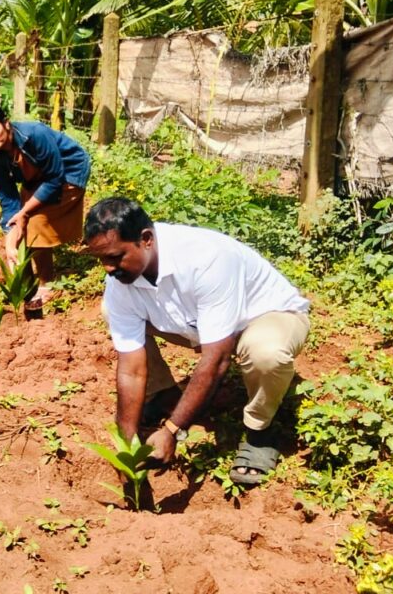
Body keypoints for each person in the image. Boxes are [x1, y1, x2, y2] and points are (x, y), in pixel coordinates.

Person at [82, 197, 310, 485]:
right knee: (110, 310)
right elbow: (131, 368)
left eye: (115, 257)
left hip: (262, 318)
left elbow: (217, 360)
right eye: (100, 259)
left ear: (146, 240)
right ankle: (166, 396)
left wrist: (173, 430)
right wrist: (126, 445)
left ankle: (260, 432)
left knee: (267, 353)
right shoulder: (121, 279)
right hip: (199, 326)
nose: (107, 268)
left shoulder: (206, 258)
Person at [0, 103, 90, 311]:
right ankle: (24, 286)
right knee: (19, 228)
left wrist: (25, 212)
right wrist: (9, 243)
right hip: (37, 178)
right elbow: (8, 202)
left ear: (6, 123)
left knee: (34, 220)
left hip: (68, 174)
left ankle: (47, 283)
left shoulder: (34, 134)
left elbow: (55, 179)